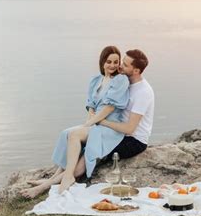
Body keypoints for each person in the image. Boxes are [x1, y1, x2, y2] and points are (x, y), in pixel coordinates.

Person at [20, 45, 130, 198]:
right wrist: (90, 120)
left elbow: (109, 108)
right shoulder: (96, 80)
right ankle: (54, 179)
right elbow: (91, 106)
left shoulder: (121, 80)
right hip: (95, 123)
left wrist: (89, 124)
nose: (112, 65)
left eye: (116, 62)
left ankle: (52, 183)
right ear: (102, 62)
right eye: (108, 61)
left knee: (74, 136)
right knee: (66, 134)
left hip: (109, 128)